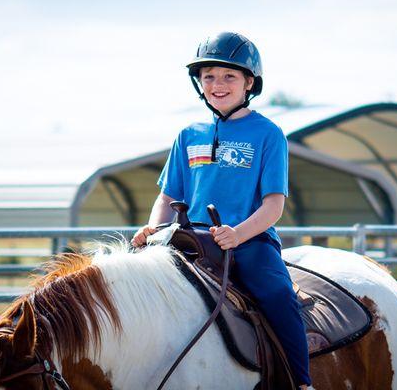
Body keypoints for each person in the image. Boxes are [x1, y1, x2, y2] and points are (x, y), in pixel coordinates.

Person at [132, 32, 312, 389]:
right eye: (209, 76)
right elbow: (168, 197)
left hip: (248, 242)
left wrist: (238, 234)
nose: (217, 84)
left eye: (229, 76)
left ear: (249, 82)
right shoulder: (188, 134)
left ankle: (301, 382)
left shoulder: (268, 133)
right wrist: (153, 229)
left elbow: (273, 205)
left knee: (278, 295)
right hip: (188, 240)